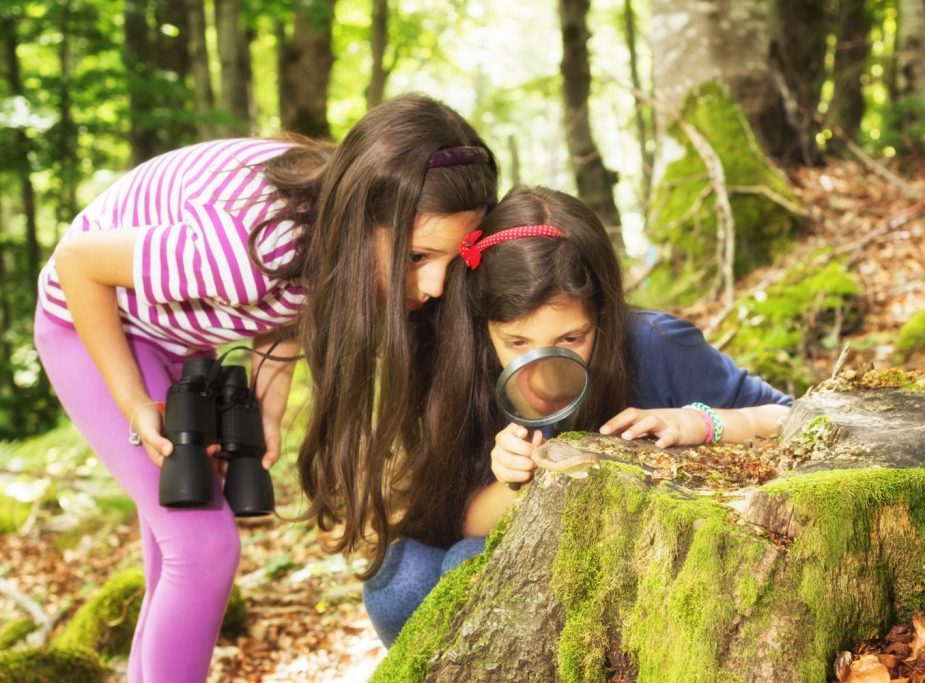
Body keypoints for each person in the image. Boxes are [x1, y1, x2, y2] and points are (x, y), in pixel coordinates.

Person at [34, 94, 497, 682]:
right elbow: (77, 263)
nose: (433, 285)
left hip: (181, 337)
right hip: (88, 325)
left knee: (175, 547)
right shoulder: (243, 249)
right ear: (362, 220)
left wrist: (267, 411)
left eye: (452, 260)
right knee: (202, 549)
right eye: (416, 256)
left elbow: (284, 311)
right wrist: (131, 402)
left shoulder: (327, 232)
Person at [362, 186, 792, 646]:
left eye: (571, 339)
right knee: (400, 579)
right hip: (525, 556)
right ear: (483, 325)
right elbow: (454, 521)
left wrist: (701, 423)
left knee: (467, 563)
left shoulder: (654, 345)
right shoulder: (468, 370)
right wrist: (514, 481)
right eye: (518, 344)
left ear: (602, 313)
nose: (545, 367)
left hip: (645, 561)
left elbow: (792, 417)